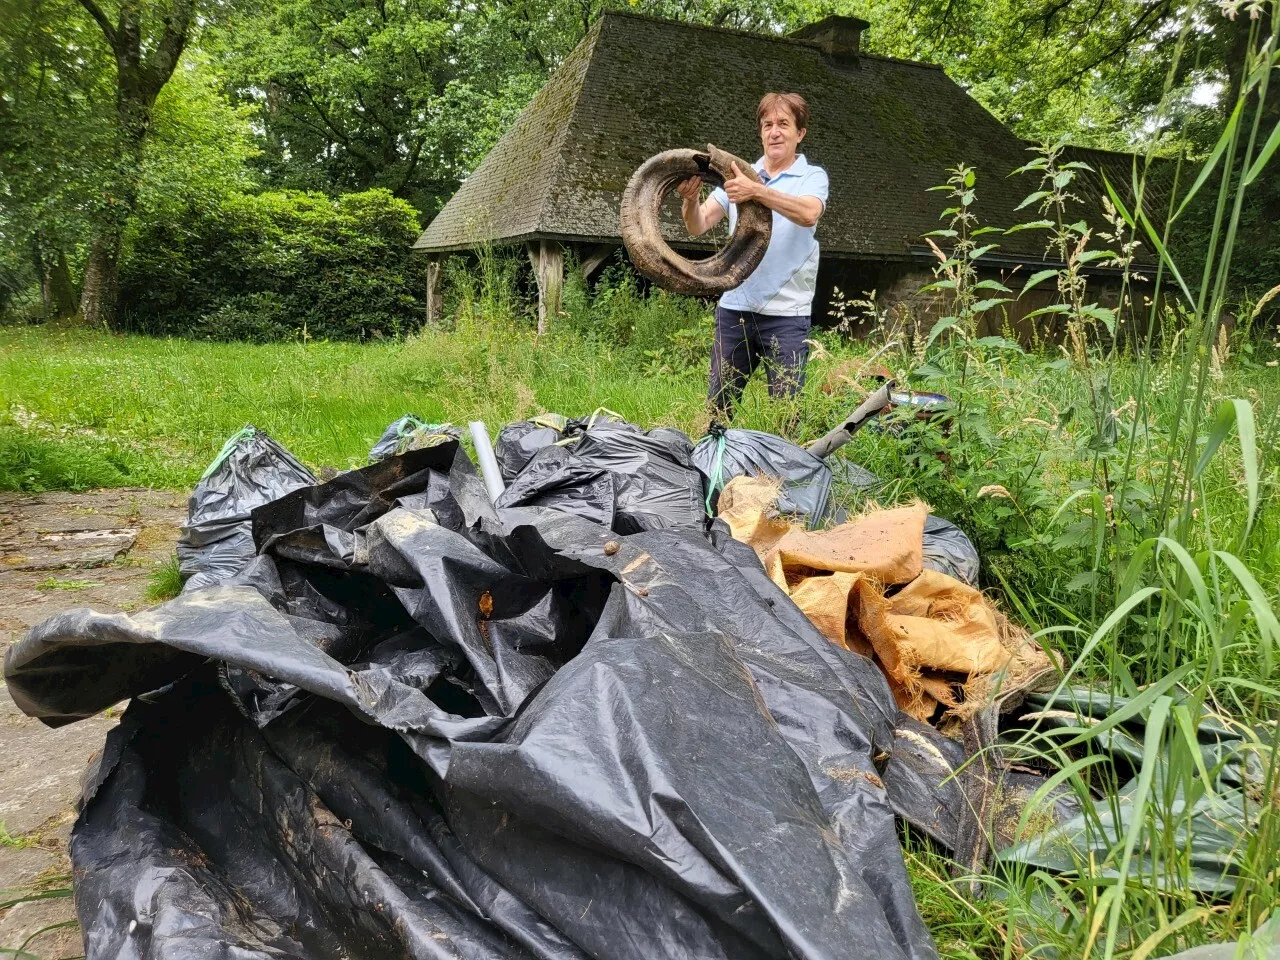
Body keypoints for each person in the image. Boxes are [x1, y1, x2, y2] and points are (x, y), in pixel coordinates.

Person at [677, 91, 829, 418]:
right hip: (735, 310)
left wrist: (756, 190)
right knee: (718, 411)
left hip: (787, 315)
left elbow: (808, 214)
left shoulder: (812, 177)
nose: (774, 131)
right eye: (768, 124)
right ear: (760, 132)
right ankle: (714, 468)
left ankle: (781, 470)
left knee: (786, 416)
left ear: (800, 133)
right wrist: (690, 200)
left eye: (784, 124)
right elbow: (698, 225)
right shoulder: (738, 175)